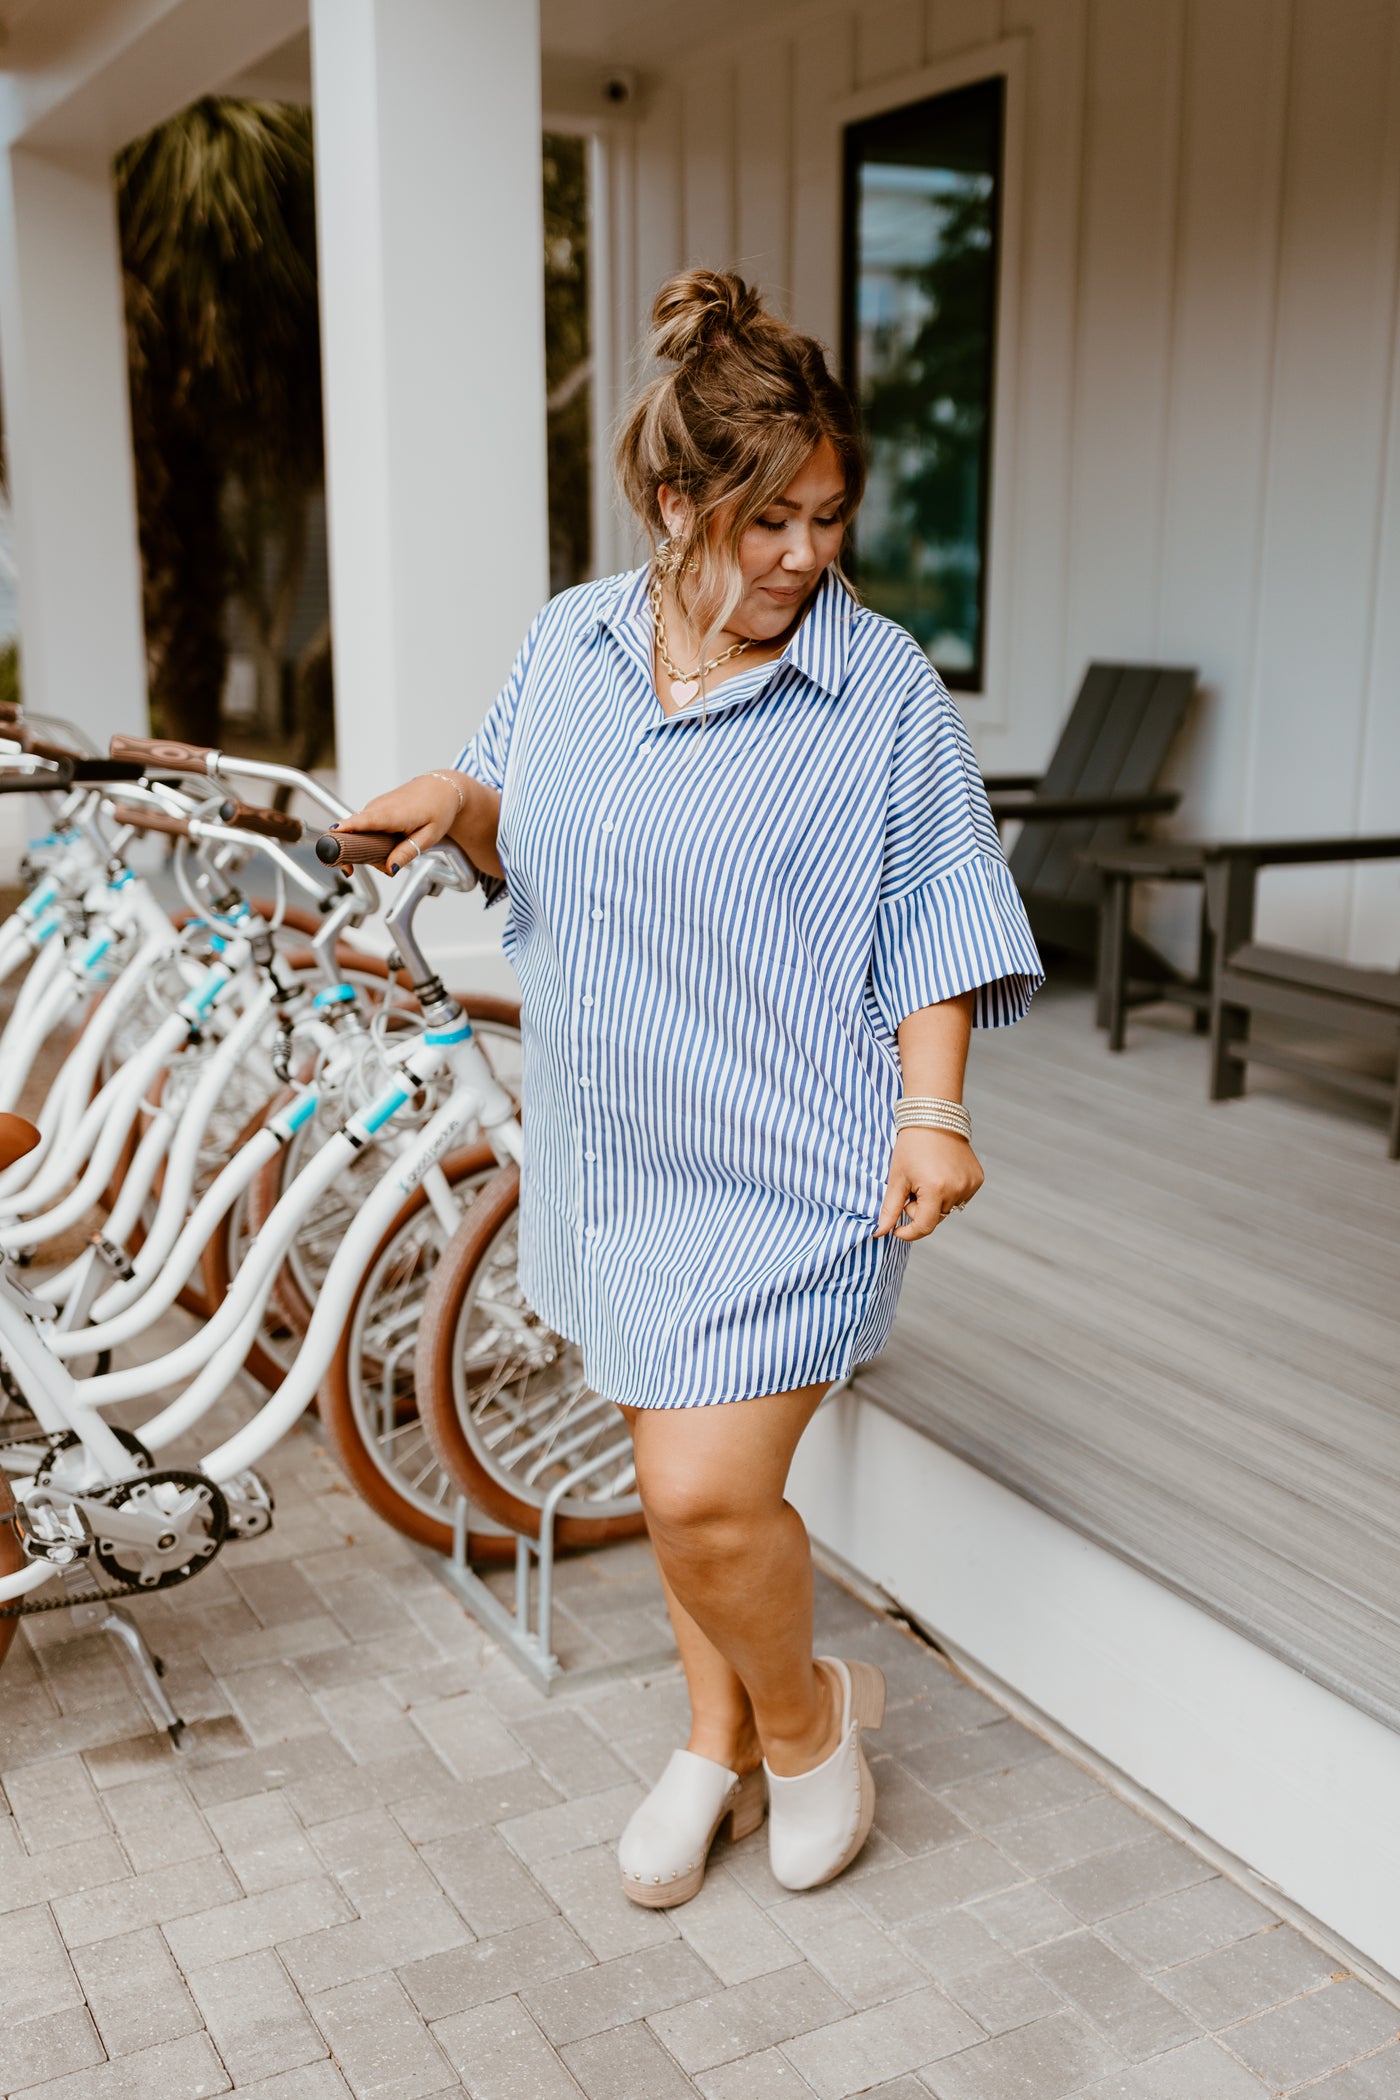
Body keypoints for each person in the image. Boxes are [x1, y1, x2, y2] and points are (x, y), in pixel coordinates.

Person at [337, 269, 1042, 1907]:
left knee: (702, 1493)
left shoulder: (882, 699)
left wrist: (933, 1111)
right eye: (768, 519)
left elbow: (934, 912)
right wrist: (457, 797)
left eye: (829, 517)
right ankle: (713, 1742)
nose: (807, 554)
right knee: (687, 1498)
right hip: (618, 1152)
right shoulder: (571, 645)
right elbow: (537, 833)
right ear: (675, 500)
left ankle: (809, 1725)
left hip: (795, 1159)